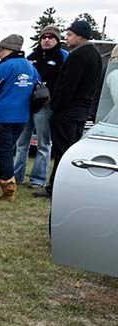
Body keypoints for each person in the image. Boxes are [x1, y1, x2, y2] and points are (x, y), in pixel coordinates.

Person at [33, 20, 103, 198]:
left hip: (69, 111)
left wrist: (56, 106)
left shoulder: (78, 55)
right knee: (70, 149)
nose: (67, 37)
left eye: (70, 34)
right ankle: (66, 186)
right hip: (82, 110)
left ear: (80, 36)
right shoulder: (95, 54)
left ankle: (56, 188)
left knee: (62, 151)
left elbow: (67, 85)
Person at [0, 34, 40, 201]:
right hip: (22, 116)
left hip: (3, 115)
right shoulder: (29, 66)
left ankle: (9, 188)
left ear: (7, 49)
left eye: (0, 50)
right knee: (3, 150)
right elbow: (39, 89)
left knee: (5, 151)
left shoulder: (6, 66)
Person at [13, 25, 68, 189]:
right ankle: (17, 176)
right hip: (27, 104)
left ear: (57, 40)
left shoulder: (63, 56)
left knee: (43, 144)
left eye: (51, 37)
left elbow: (66, 81)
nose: (46, 40)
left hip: (45, 106)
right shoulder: (32, 56)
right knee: (22, 143)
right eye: (44, 37)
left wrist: (53, 99)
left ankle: (38, 179)